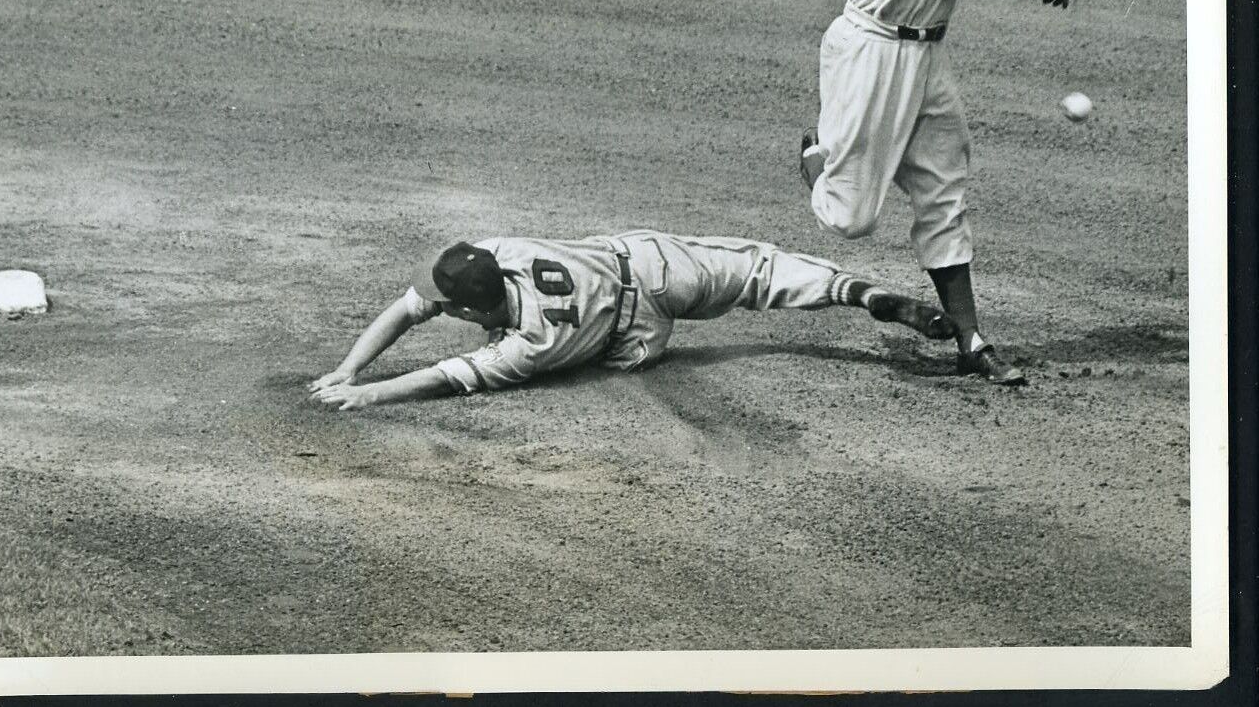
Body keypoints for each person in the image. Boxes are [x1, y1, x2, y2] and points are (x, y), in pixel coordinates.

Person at [799, 0, 1097, 386]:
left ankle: (971, 341)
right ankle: (816, 156)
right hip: (871, 57)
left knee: (943, 192)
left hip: (923, 61)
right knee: (848, 219)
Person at [309, 230, 956, 410]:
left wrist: (359, 382)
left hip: (635, 338)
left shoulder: (528, 345)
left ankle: (860, 295)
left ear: (473, 306)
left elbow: (443, 375)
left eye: (446, 303)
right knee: (761, 269)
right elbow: (411, 306)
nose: (432, 305)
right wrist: (349, 369)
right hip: (648, 259)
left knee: (610, 357)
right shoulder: (498, 250)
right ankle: (857, 292)